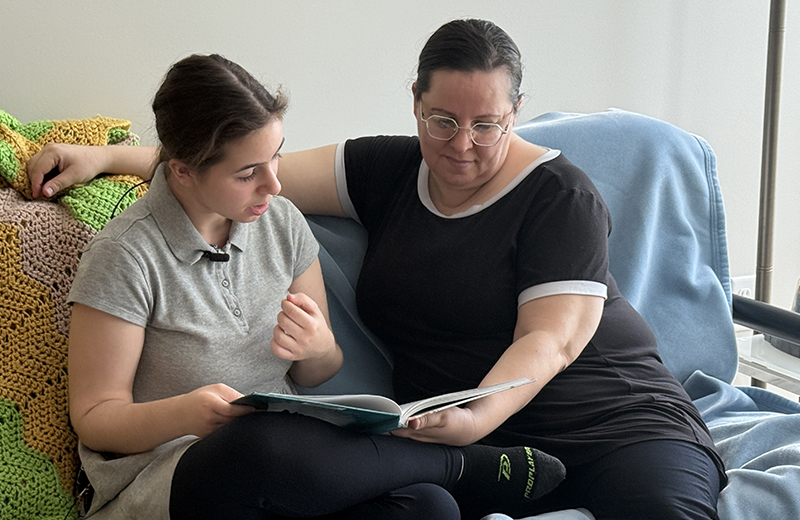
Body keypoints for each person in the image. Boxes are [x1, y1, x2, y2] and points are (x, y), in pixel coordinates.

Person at [30, 20, 725, 520]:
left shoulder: (559, 196)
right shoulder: (386, 171)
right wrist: (106, 156)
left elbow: (553, 341)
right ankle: (468, 472)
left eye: (489, 124)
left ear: (517, 112)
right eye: (442, 120)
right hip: (451, 447)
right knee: (326, 468)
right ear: (415, 103)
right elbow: (219, 163)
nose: (463, 145)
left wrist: (461, 413)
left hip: (604, 421)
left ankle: (464, 472)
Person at [47, 53, 566, 520]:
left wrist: (318, 347)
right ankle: (458, 463)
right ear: (181, 171)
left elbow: (318, 372)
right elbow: (95, 418)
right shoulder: (124, 256)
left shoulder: (282, 223)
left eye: (276, 156)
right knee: (253, 446)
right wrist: (183, 413)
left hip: (286, 476)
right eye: (248, 171)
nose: (273, 183)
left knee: (428, 508)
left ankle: (441, 477)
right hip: (174, 480)